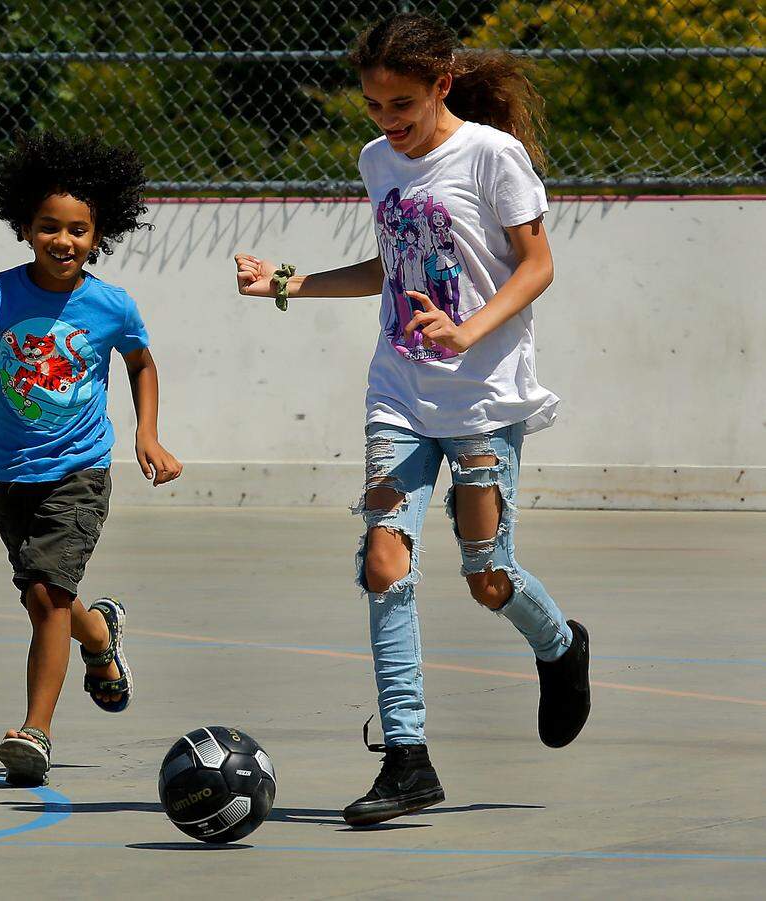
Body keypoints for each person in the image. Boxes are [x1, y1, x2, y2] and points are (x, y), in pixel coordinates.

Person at [234, 12, 590, 827]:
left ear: (442, 84)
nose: (388, 121)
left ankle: (561, 646)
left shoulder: (494, 157)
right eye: (373, 107)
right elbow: (388, 268)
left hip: (481, 402)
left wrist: (468, 329)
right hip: (398, 396)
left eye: (402, 105)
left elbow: (537, 265)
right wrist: (286, 282)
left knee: (485, 575)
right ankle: (407, 757)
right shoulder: (376, 162)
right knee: (384, 565)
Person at [0, 131, 182, 785]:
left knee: (47, 594)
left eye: (78, 229)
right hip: (10, 474)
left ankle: (34, 731)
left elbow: (141, 364)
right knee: (44, 599)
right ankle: (99, 634)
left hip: (79, 470)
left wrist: (147, 434)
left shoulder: (110, 305)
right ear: (25, 226)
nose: (63, 240)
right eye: (49, 226)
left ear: (99, 232)